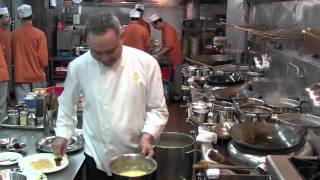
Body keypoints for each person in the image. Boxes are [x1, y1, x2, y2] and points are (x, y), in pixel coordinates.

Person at [52, 12, 168, 180]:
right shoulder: (78, 66)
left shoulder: (146, 63)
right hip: (96, 154)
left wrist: (147, 136)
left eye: (111, 51)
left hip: (136, 154)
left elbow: (157, 109)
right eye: (96, 52)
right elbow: (66, 104)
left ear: (121, 36)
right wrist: (63, 134)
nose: (104, 58)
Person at [12, 4, 48, 102]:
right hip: (37, 76)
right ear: (33, 16)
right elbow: (43, 60)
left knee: (23, 109)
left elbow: (10, 57)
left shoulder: (13, 35)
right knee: (39, 107)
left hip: (20, 76)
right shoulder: (39, 34)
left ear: (19, 17)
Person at [148, 13, 183, 100]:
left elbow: (169, 46)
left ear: (157, 23)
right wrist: (157, 53)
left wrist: (157, 55)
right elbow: (165, 46)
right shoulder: (164, 29)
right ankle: (173, 94)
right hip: (170, 58)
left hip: (175, 58)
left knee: (177, 79)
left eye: (154, 26)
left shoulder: (168, 30)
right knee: (173, 78)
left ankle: (179, 96)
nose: (154, 28)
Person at [0, 7, 10, 120]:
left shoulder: (5, 33)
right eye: (6, 17)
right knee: (2, 107)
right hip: (2, 73)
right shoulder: (3, 34)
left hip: (3, 72)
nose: (8, 19)